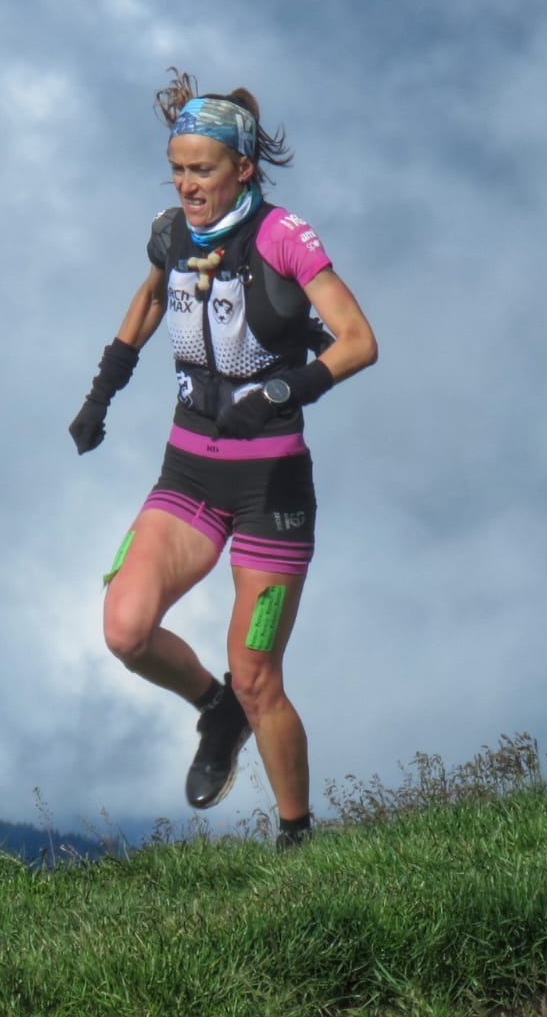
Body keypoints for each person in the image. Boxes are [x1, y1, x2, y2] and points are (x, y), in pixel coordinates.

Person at [69, 68, 377, 850]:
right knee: (125, 630)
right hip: (187, 473)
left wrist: (283, 392)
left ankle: (299, 837)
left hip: (271, 485)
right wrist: (103, 390)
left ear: (242, 167)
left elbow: (359, 340)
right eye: (177, 169)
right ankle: (215, 710)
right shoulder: (172, 231)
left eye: (201, 170)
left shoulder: (283, 237)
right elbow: (147, 301)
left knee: (259, 676)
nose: (187, 185)